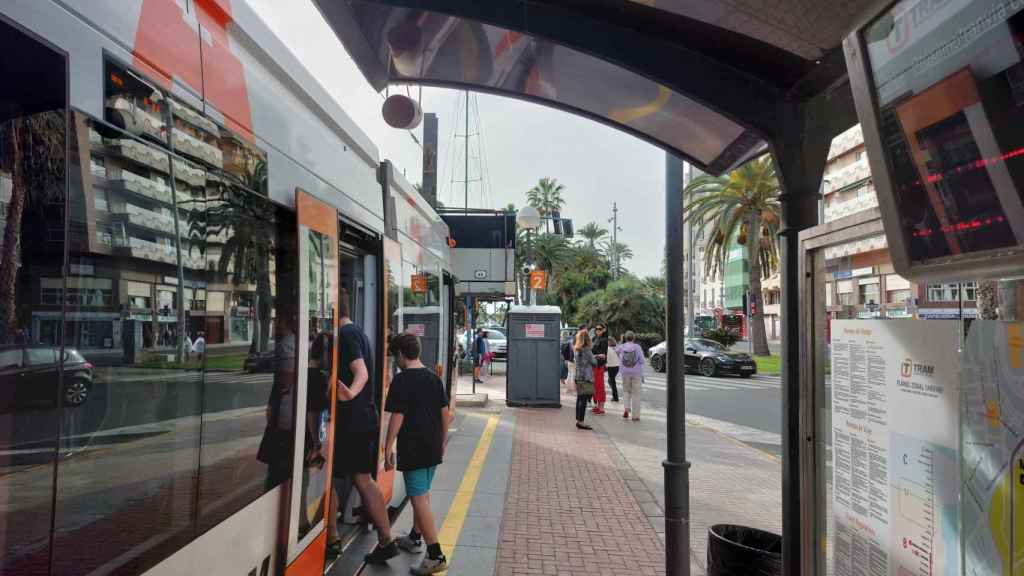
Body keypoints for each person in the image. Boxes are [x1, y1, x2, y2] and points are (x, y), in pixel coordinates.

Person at [328, 295, 397, 564]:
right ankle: (385, 539)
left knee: (334, 479)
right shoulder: (358, 332)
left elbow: (362, 372)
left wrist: (349, 394)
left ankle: (334, 540)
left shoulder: (345, 335)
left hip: (351, 423)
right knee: (362, 479)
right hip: (363, 420)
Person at [384, 333, 450, 575]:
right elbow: (445, 414)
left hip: (414, 447)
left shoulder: (402, 381)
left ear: (401, 354)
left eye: (395, 356)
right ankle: (414, 537)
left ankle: (435, 554)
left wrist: (388, 446)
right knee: (423, 493)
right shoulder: (433, 378)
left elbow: (397, 417)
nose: (395, 360)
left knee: (418, 498)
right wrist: (443, 441)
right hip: (433, 446)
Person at [616, 331, 646, 421]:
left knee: (626, 391)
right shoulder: (637, 347)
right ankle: (635, 416)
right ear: (634, 338)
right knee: (636, 394)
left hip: (625, 372)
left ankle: (626, 408)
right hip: (636, 373)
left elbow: (616, 351)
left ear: (625, 338)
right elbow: (642, 361)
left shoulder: (622, 346)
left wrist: (621, 341)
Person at [574, 329, 597, 430]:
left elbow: (582, 360)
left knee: (579, 399)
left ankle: (579, 420)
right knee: (583, 400)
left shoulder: (576, 349)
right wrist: (596, 357)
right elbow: (594, 363)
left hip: (578, 376)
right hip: (586, 377)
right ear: (587, 339)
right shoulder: (587, 350)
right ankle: (581, 422)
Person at [591, 324, 609, 414]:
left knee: (599, 385)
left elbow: (603, 355)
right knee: (594, 386)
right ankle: (597, 406)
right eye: (596, 329)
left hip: (599, 366)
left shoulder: (604, 340)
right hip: (593, 365)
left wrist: (595, 355)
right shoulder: (594, 339)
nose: (597, 330)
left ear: (604, 330)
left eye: (600, 329)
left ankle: (601, 407)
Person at [606, 336, 620, 402]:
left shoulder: (608, 348)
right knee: (611, 381)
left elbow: (607, 358)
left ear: (609, 341)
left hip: (611, 366)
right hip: (616, 366)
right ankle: (615, 395)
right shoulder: (615, 348)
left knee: (612, 381)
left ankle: (615, 397)